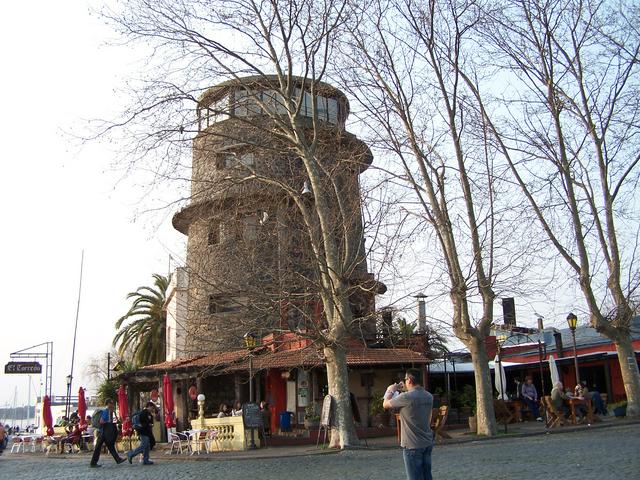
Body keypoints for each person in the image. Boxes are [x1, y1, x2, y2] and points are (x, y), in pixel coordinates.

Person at [383, 369, 433, 480]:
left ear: (409, 380)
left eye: (405, 380)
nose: (405, 382)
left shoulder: (406, 397)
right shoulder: (429, 396)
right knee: (427, 476)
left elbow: (385, 404)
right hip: (427, 442)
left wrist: (390, 390)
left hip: (412, 444)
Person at [89, 398, 126, 468]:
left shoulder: (108, 411)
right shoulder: (106, 411)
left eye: (112, 403)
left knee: (110, 446)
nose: (112, 404)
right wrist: (108, 423)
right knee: (98, 448)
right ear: (108, 404)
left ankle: (118, 459)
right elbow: (101, 421)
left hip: (104, 432)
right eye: (111, 403)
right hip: (103, 432)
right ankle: (93, 463)